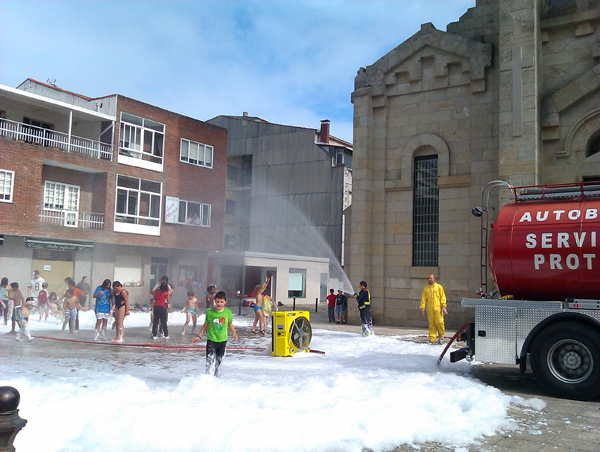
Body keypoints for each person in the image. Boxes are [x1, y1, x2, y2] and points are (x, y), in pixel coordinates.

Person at [191, 290, 238, 377]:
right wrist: (199, 336)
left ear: (225, 301)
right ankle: (208, 377)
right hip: (211, 339)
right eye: (217, 301)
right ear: (214, 301)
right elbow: (205, 325)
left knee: (219, 361)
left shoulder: (227, 312)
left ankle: (217, 378)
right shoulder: (210, 312)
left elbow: (230, 323)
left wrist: (234, 333)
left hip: (222, 340)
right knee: (210, 360)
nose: (219, 304)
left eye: (221, 302)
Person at [420, 273, 448, 345]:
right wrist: (422, 307)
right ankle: (432, 338)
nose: (429, 279)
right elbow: (423, 298)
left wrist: (443, 306)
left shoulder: (439, 287)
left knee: (439, 322)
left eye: (431, 278)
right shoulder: (426, 288)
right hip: (430, 308)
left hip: (438, 308)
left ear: (434, 279)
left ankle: (441, 336)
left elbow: (442, 297)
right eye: (428, 278)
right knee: (431, 323)